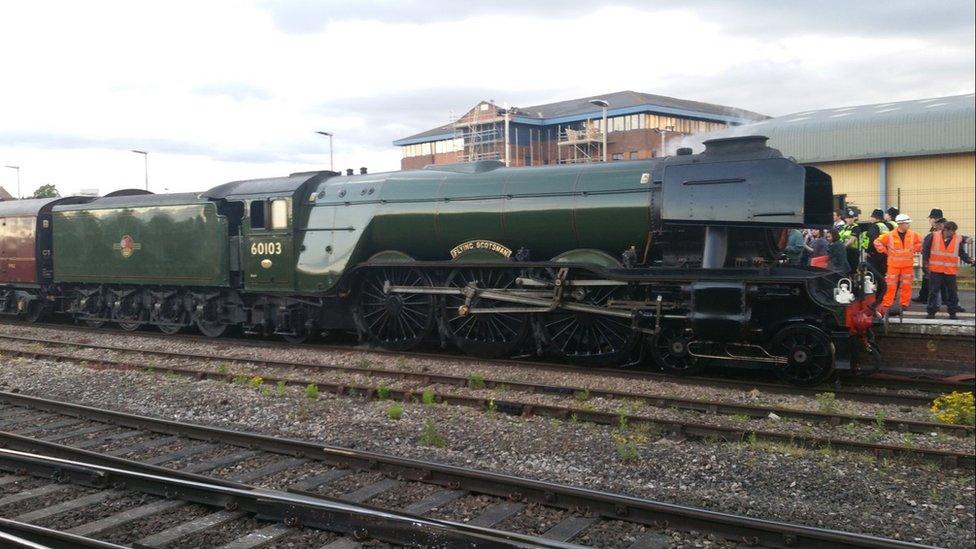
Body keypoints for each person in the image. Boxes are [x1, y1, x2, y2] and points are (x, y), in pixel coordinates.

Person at [873, 214, 922, 316]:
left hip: (906, 265)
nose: (908, 225)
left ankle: (904, 304)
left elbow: (921, 243)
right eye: (907, 223)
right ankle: (887, 304)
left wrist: (914, 249)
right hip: (893, 265)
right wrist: (884, 251)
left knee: (906, 286)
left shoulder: (913, 235)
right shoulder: (890, 235)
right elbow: (877, 242)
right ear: (901, 224)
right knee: (890, 286)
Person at [924, 220, 973, 319]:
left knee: (952, 292)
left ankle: (952, 312)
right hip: (936, 270)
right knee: (933, 291)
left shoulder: (956, 238)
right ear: (945, 230)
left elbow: (961, 252)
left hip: (950, 271)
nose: (953, 234)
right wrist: (925, 266)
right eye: (952, 231)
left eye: (954, 231)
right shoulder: (933, 236)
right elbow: (926, 251)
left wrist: (969, 260)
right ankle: (931, 312)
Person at [914, 208, 944, 303]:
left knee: (937, 279)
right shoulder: (936, 228)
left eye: (930, 218)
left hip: (938, 258)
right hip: (933, 258)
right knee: (928, 277)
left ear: (934, 219)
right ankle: (923, 296)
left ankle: (933, 299)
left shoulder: (941, 228)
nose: (929, 220)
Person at [859, 208, 891, 299]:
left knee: (871, 277)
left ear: (875, 218)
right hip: (884, 254)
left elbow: (872, 239)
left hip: (874, 255)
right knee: (882, 277)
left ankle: (873, 298)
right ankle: (882, 295)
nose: (870, 218)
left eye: (872, 216)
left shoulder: (874, 226)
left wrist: (869, 251)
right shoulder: (885, 226)